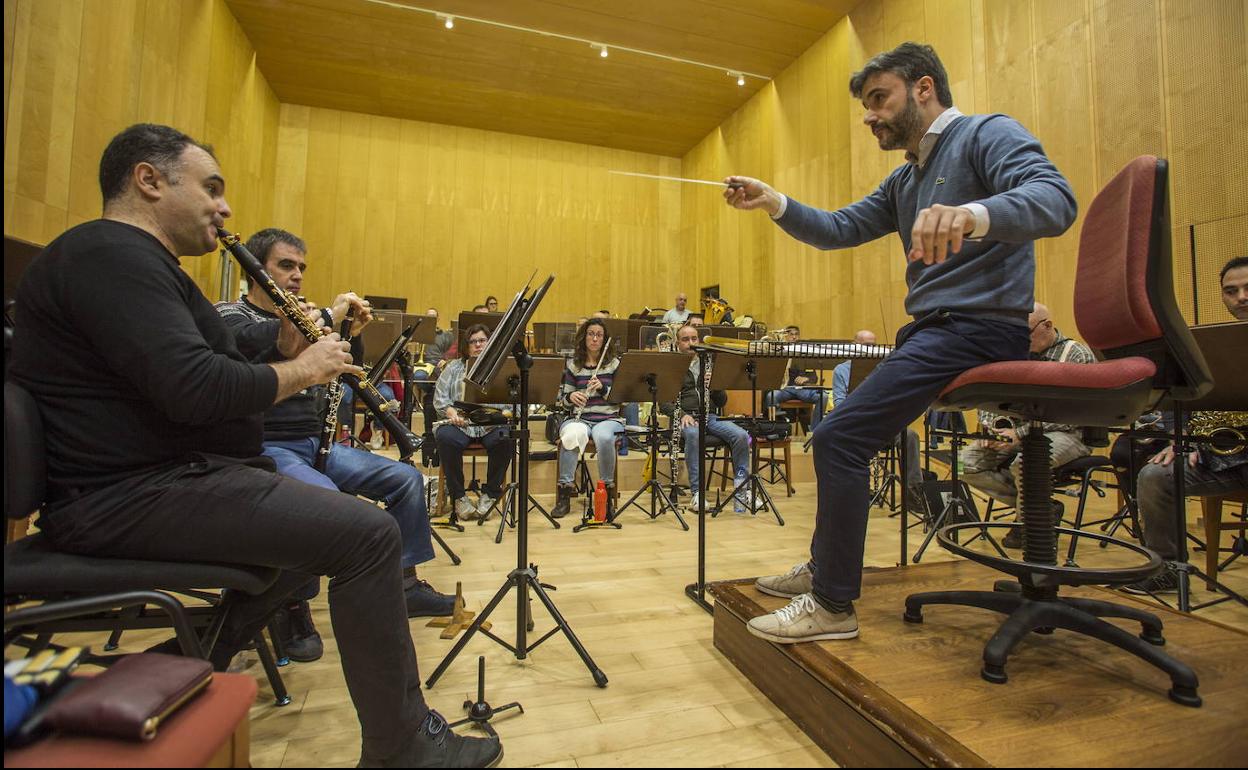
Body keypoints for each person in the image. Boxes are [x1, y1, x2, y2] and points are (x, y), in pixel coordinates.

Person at [8, 123, 501, 767]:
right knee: (365, 534)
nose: (225, 207)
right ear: (148, 180)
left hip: (159, 481)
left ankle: (181, 668)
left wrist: (281, 343)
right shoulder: (110, 255)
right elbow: (195, 388)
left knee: (308, 548)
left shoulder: (132, 265)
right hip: (132, 494)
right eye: (211, 188)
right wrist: (306, 368)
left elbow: (206, 349)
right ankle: (403, 748)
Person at [724, 42, 1076, 643]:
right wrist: (775, 201)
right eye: (866, 106)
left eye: (878, 99)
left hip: (977, 329)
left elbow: (1056, 200)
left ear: (923, 88)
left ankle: (832, 604)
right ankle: (825, 569)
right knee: (844, 434)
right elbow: (839, 229)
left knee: (838, 435)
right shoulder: (904, 178)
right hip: (936, 332)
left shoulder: (988, 132)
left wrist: (972, 213)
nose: (870, 116)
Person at [216, 227, 454, 663]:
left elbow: (344, 372)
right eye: (285, 265)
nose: (297, 275)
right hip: (265, 447)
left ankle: (405, 585)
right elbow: (252, 341)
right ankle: (290, 606)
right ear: (256, 270)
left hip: (316, 443)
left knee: (406, 480)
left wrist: (349, 331)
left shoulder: (305, 319)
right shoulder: (231, 315)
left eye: (302, 267)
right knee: (324, 508)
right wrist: (329, 314)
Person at [1122, 256, 1248, 593]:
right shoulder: (1214, 345)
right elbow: (1179, 395)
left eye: (1247, 289)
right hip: (1220, 457)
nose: (1240, 297)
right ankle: (1166, 570)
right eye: (1231, 290)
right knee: (1155, 476)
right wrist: (1181, 439)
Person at [957, 303, 1095, 548]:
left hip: (1069, 435)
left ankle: (1027, 523)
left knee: (1027, 463)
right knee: (964, 462)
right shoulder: (1017, 354)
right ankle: (1042, 508)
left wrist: (1019, 434)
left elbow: (1076, 412)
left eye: (1025, 334)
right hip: (1018, 433)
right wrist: (995, 431)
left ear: (1047, 326)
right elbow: (990, 398)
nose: (1020, 341)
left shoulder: (1076, 354)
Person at [661, 323, 755, 512]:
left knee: (742, 436)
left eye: (694, 339)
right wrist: (681, 415)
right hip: (686, 418)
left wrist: (715, 385)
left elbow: (721, 401)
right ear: (678, 343)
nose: (691, 343)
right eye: (685, 339)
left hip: (710, 416)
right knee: (694, 435)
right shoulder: (671, 366)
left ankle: (742, 492)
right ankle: (697, 493)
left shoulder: (708, 363)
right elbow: (663, 403)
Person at [829, 329, 926, 513]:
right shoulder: (841, 370)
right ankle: (855, 493)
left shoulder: (885, 367)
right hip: (857, 425)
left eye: (873, 346)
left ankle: (914, 492)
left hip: (884, 422)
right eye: (866, 346)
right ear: (854, 345)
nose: (871, 350)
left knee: (910, 436)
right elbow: (839, 403)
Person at [433, 324, 513, 520]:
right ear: (466, 346)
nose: (478, 345)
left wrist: (501, 414)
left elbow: (511, 404)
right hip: (460, 424)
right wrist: (451, 413)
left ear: (489, 343)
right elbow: (440, 399)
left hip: (490, 424)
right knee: (445, 437)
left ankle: (491, 493)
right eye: (473, 341)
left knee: (506, 437)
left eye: (482, 341)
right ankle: (459, 496)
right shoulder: (453, 368)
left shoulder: (500, 368)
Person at [550, 319, 625, 518]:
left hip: (607, 418)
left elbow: (621, 398)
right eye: (591, 334)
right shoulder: (573, 365)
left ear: (604, 339)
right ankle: (565, 493)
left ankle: (606, 492)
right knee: (571, 435)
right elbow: (562, 401)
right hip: (579, 418)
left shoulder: (614, 364)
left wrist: (603, 388)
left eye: (599, 335)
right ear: (584, 337)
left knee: (604, 437)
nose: (594, 338)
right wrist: (571, 397)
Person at [765, 325, 828, 432]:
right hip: (785, 388)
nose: (794, 337)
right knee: (771, 396)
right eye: (791, 334)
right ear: (786, 336)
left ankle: (815, 431)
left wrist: (806, 379)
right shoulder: (779, 351)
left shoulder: (805, 352)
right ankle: (778, 428)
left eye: (796, 334)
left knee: (824, 397)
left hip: (802, 390)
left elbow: (814, 377)